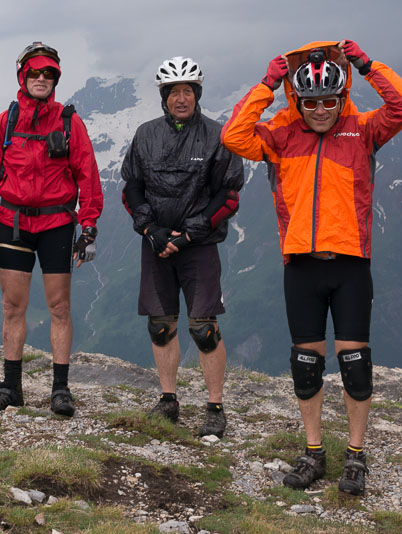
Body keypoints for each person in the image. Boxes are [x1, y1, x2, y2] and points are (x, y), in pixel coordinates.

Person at [221, 40, 402, 494]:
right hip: (302, 266)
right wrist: (268, 84)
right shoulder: (280, 134)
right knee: (306, 365)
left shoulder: (363, 129)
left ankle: (355, 456)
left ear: (341, 94)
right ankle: (314, 454)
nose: (321, 110)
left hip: (350, 264)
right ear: (299, 99)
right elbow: (233, 136)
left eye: (329, 100)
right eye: (311, 102)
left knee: (355, 365)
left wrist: (367, 65)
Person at [0, 42, 103, 417]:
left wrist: (88, 226)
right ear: (22, 76)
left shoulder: (68, 122)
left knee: (59, 306)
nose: (41, 79)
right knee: (13, 306)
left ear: (56, 79)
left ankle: (60, 390)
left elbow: (87, 175)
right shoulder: (5, 123)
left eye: (48, 74)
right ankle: (11, 387)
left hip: (57, 224)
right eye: (35, 73)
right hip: (13, 224)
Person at [121, 56, 244, 438]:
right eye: (173, 92)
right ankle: (168, 399)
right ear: (163, 97)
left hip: (199, 246)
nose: (181, 98)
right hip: (156, 243)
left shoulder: (216, 136)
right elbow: (132, 188)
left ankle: (215, 405)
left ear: (197, 95)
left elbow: (229, 196)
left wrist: (189, 233)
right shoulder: (145, 135)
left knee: (203, 327)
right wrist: (149, 228)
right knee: (161, 325)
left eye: (187, 91)